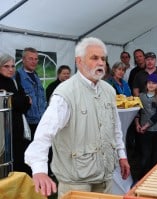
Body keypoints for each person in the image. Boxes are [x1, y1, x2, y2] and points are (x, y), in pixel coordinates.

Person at [24, 37, 130, 198]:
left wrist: (122, 155)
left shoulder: (109, 90)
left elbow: (115, 128)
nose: (100, 63)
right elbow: (44, 133)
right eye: (94, 58)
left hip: (105, 176)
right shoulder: (65, 93)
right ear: (79, 61)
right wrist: (39, 170)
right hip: (76, 180)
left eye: (103, 58)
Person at [0, 53, 31, 174]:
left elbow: (23, 105)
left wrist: (21, 101)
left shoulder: (13, 81)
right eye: (6, 66)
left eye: (13, 66)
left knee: (18, 157)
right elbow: (20, 101)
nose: (11, 69)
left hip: (17, 127)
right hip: (4, 130)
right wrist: (23, 100)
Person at [134, 73, 157, 179]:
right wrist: (137, 124)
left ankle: (154, 178)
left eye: (154, 83)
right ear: (146, 84)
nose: (151, 85)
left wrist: (146, 125)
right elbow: (137, 111)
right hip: (144, 131)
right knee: (145, 155)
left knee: (155, 156)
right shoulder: (141, 96)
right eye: (149, 83)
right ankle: (142, 178)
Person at [16, 47, 47, 136]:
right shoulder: (17, 76)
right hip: (27, 124)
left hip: (41, 122)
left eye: (36, 59)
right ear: (23, 60)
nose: (34, 61)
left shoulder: (36, 75)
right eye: (30, 59)